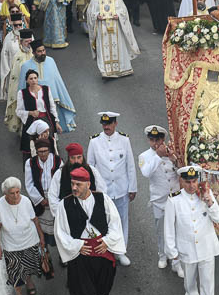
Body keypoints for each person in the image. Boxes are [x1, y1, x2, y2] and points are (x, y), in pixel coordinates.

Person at [53, 167, 126, 295]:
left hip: (103, 253)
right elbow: (60, 232)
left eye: (78, 184)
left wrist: (107, 242)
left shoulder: (103, 199)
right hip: (80, 256)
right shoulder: (64, 205)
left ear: (88, 184)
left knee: (104, 288)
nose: (74, 188)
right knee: (82, 294)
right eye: (72, 184)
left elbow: (115, 223)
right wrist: (77, 246)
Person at [164, 165, 219, 295]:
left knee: (208, 283)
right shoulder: (174, 199)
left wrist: (209, 202)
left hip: (207, 246)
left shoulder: (206, 194)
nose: (192, 185)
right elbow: (169, 227)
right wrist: (172, 251)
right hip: (187, 247)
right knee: (189, 278)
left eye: (194, 181)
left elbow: (218, 218)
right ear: (181, 181)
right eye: (188, 182)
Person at [87, 112, 137, 266]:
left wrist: (132, 187)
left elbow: (130, 165)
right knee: (105, 220)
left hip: (121, 188)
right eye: (104, 124)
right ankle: (106, 250)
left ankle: (121, 251)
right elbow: (90, 167)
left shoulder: (124, 140)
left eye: (109, 124)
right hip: (103, 191)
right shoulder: (94, 142)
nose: (106, 127)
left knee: (122, 220)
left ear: (115, 123)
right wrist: (91, 190)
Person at [0, 177, 45, 295]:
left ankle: (29, 280)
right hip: (11, 245)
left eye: (17, 192)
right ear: (5, 193)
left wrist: (41, 236)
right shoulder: (0, 205)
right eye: (12, 193)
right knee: (14, 272)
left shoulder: (26, 201)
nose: (16, 196)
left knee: (29, 266)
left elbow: (35, 220)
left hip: (29, 240)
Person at [138, 125, 183, 277]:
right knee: (161, 230)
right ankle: (162, 255)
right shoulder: (144, 156)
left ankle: (176, 261)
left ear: (163, 139)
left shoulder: (171, 152)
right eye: (152, 140)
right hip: (159, 200)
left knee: (176, 230)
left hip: (175, 197)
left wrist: (174, 159)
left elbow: (181, 172)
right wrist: (158, 155)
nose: (155, 143)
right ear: (148, 140)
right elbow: (146, 172)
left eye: (158, 139)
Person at [86, 0, 140, 78]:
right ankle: (106, 72)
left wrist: (118, 15)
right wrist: (97, 16)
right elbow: (90, 14)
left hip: (116, 28)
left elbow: (124, 12)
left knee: (119, 48)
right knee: (103, 50)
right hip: (102, 29)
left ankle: (123, 69)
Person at [17, 41, 77, 131]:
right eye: (39, 51)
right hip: (34, 100)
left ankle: (53, 136)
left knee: (52, 120)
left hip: (51, 97)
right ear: (33, 53)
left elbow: (57, 80)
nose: (42, 53)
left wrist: (60, 95)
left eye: (44, 50)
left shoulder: (51, 61)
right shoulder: (26, 66)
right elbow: (22, 86)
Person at [25, 139, 63, 254]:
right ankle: (45, 256)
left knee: (59, 228)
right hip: (39, 201)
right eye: (40, 152)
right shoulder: (30, 163)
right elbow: (29, 184)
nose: (43, 154)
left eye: (45, 151)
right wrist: (41, 199)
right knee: (41, 230)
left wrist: (53, 199)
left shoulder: (58, 161)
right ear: (36, 151)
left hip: (55, 198)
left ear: (49, 150)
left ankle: (62, 255)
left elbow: (62, 181)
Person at [49, 143, 108, 215]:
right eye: (73, 158)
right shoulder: (60, 173)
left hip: (90, 212)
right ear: (68, 158)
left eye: (79, 157)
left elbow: (102, 191)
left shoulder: (92, 171)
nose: (76, 161)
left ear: (83, 157)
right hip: (68, 214)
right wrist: (60, 215)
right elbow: (53, 197)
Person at [16, 68, 61, 160]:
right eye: (31, 78)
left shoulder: (46, 89)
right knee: (32, 145)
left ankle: (52, 162)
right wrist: (30, 112)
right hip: (32, 122)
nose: (33, 80)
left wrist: (56, 122)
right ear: (27, 81)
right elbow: (18, 111)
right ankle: (33, 163)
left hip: (46, 120)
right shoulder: (22, 93)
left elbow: (52, 107)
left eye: (35, 78)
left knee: (48, 143)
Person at [4, 29, 36, 132]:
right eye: (26, 41)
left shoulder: (35, 54)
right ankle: (23, 132)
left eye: (30, 41)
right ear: (21, 42)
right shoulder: (18, 56)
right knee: (23, 110)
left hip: (34, 87)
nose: (29, 43)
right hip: (23, 88)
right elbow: (15, 76)